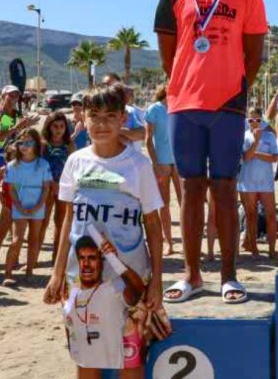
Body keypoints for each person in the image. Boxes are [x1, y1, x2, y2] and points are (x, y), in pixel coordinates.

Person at [154, 0, 267, 303]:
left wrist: (234, 88)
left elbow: (254, 56)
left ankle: (229, 276)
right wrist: (189, 84)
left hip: (228, 107)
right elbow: (169, 57)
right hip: (184, 104)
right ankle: (191, 274)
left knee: (224, 188)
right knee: (189, 189)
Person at [44, 84, 164, 315]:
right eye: (94, 116)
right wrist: (57, 273)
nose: (101, 124)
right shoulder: (75, 161)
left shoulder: (139, 165)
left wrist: (157, 280)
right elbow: (68, 221)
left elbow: (153, 225)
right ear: (83, 119)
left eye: (110, 116)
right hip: (81, 273)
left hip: (130, 273)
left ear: (122, 118)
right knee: (84, 342)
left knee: (129, 345)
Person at [62, 235, 146, 377]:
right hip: (88, 351)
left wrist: (115, 260)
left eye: (92, 258)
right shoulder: (71, 294)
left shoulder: (114, 288)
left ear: (102, 261)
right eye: (82, 258)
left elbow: (137, 290)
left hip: (124, 350)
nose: (86, 264)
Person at [3, 128, 52, 285]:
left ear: (36, 145)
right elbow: (10, 189)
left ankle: (29, 271)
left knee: (34, 239)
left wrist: (38, 205)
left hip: (38, 205)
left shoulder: (43, 164)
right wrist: (19, 206)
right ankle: (8, 273)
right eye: (20, 142)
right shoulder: (13, 165)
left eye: (29, 142)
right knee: (17, 239)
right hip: (20, 205)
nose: (24, 146)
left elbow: (46, 188)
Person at [238, 108, 278, 258]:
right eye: (250, 120)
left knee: (271, 215)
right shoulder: (243, 136)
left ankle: (272, 249)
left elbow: (274, 158)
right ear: (247, 121)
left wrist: (254, 153)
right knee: (251, 215)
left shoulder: (270, 136)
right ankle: (253, 248)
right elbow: (246, 158)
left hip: (266, 181)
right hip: (247, 181)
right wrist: (255, 143)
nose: (254, 123)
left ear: (262, 120)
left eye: (257, 120)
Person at [145, 85, 181, 256]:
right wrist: (155, 162)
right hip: (163, 161)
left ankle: (188, 241)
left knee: (185, 203)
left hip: (180, 161)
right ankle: (169, 243)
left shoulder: (180, 106)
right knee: (164, 204)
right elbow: (148, 140)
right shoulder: (154, 109)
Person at [40, 111, 75, 263]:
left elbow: (73, 167)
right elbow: (39, 166)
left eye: (62, 126)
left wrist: (62, 185)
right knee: (42, 221)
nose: (59, 129)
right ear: (49, 126)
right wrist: (50, 183)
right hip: (46, 187)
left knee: (60, 223)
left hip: (63, 188)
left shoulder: (69, 145)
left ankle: (56, 258)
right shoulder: (43, 144)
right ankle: (33, 258)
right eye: (55, 126)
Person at [0, 85, 38, 161]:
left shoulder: (17, 114)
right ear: (3, 96)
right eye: (11, 95)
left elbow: (18, 135)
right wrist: (16, 128)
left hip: (10, 152)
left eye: (16, 96)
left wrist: (25, 126)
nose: (14, 98)